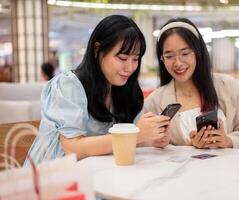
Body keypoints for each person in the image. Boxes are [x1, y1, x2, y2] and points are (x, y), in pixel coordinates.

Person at [25, 15, 170, 165]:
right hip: (49, 177)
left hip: (95, 175)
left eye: (135, 59)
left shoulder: (124, 89)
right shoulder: (69, 85)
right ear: (97, 50)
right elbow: (73, 148)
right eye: (122, 58)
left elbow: (124, 141)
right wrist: (136, 134)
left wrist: (152, 138)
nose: (130, 67)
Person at [144, 18, 239, 150]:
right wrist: (185, 148)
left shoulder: (232, 88)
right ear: (162, 59)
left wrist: (228, 141)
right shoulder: (154, 102)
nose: (178, 63)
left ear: (198, 52)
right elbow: (147, 150)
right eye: (169, 56)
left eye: (185, 53)